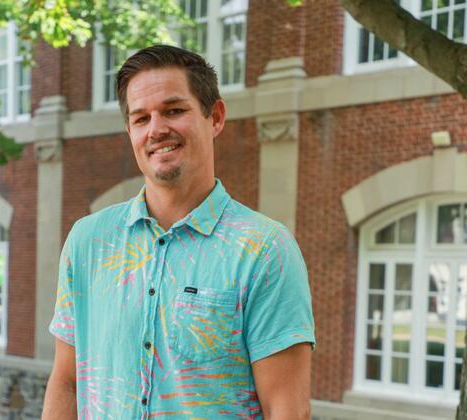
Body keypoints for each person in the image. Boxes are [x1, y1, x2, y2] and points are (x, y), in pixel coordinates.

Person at [43, 44, 315, 420]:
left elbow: (285, 410)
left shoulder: (264, 249)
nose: (157, 129)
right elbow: (68, 382)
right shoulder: (88, 240)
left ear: (215, 116)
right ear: (130, 131)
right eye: (141, 118)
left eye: (174, 110)